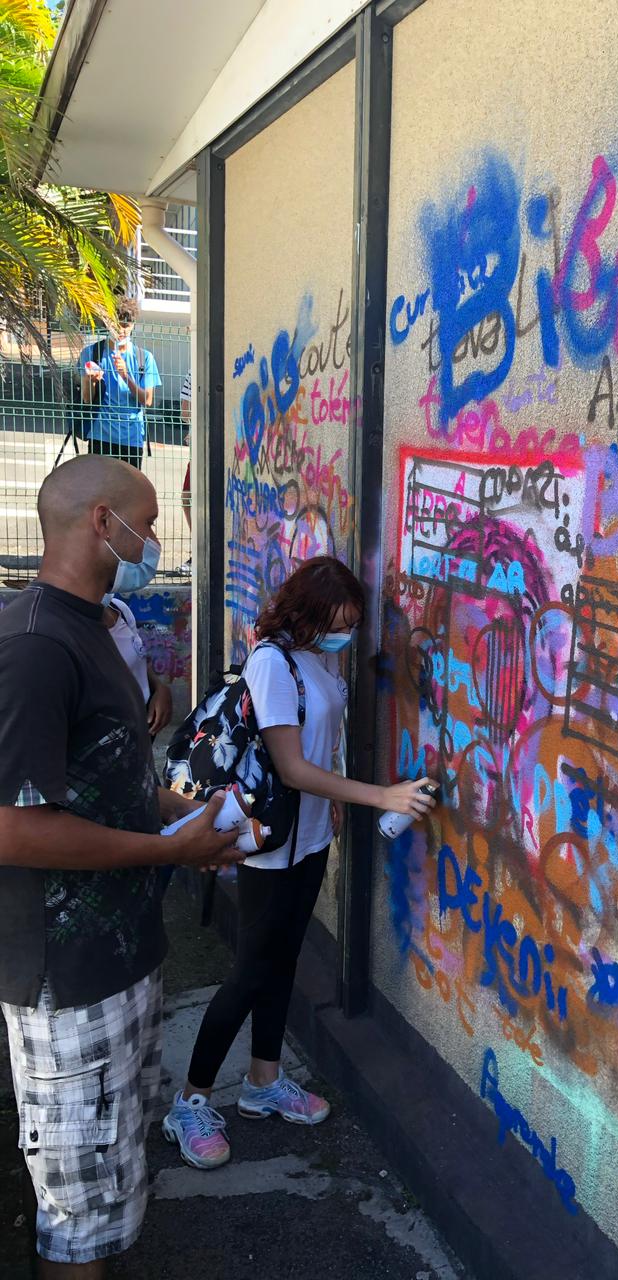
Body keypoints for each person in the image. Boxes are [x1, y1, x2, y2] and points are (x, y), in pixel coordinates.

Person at [0, 454, 243, 1278]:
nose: (156, 540)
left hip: (122, 957)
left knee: (110, 1185)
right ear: (102, 523)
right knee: (77, 1213)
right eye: (148, 522)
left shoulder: (96, 627)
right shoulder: (35, 646)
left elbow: (110, 772)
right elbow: (15, 828)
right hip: (66, 980)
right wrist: (170, 850)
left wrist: (180, 813)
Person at [162, 556, 436, 1169]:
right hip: (270, 845)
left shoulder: (318, 657)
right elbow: (290, 768)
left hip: (308, 838)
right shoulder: (273, 662)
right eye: (335, 624)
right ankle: (189, 1101)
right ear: (305, 614)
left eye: (351, 624)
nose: (344, 635)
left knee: (282, 961)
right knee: (249, 973)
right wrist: (379, 797)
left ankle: (263, 1081)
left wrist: (333, 798)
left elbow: (323, 735)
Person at [79, 298, 161, 470]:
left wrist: (126, 376)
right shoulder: (92, 353)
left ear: (133, 325)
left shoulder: (144, 358)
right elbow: (87, 399)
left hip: (132, 437)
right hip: (101, 435)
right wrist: (91, 381)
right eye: (116, 325)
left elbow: (147, 400)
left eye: (126, 325)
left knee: (128, 487)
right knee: (99, 486)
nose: (121, 331)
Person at [104, 594, 173, 737]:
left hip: (142, 727)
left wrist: (159, 687)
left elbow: (138, 657)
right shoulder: (67, 626)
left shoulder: (119, 609)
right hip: (110, 735)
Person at [178, 370, 192, 575]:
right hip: (199, 446)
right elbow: (185, 412)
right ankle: (199, 549)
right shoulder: (194, 370)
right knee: (188, 497)